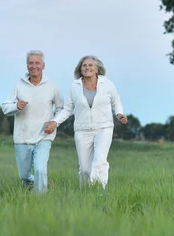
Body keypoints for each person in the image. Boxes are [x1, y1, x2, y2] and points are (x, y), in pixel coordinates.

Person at [44, 55, 127, 189]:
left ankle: (99, 192)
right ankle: (86, 191)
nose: (87, 67)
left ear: (97, 69)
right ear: (80, 69)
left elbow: (116, 101)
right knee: (85, 169)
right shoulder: (75, 86)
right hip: (82, 130)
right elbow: (67, 109)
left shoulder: (107, 84)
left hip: (104, 128)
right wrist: (55, 121)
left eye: (90, 65)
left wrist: (119, 113)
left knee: (99, 162)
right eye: (84, 65)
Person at [2, 50, 64, 193]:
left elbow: (62, 109)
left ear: (43, 65)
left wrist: (54, 122)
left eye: (37, 63)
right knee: (24, 176)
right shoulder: (19, 85)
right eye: (31, 63)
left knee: (40, 169)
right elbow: (5, 107)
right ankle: (29, 194)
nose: (34, 66)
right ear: (27, 65)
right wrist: (16, 106)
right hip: (22, 136)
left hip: (44, 136)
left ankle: (40, 201)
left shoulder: (52, 86)